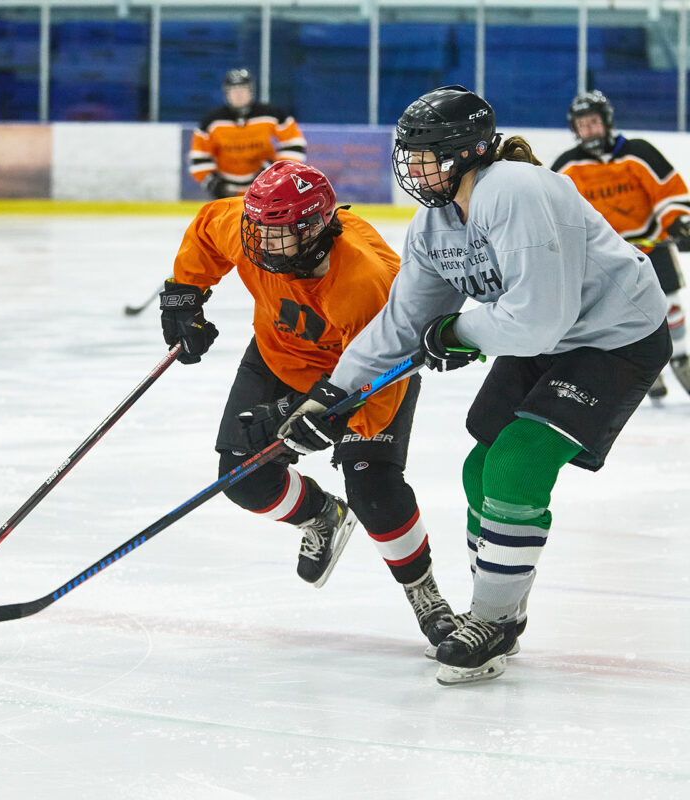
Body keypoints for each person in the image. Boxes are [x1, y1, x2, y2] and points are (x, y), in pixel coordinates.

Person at [277, 86, 671, 686]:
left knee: (516, 464)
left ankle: (490, 620)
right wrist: (332, 395)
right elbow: (404, 322)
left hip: (613, 337)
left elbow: (540, 318)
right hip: (545, 337)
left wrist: (458, 329)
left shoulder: (515, 190)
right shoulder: (434, 223)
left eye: (428, 153)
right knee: (476, 469)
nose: (415, 167)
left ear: (469, 151)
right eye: (410, 154)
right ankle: (500, 613)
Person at [159, 160, 456, 646]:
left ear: (315, 229)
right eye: (258, 230)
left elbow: (378, 389)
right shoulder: (254, 229)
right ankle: (322, 514)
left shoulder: (364, 282)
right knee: (244, 482)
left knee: (374, 490)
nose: (260, 244)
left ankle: (425, 594)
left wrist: (310, 418)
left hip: (366, 374)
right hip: (277, 356)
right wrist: (185, 295)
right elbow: (211, 226)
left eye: (276, 235)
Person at [552, 90, 690, 399]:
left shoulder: (638, 152)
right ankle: (646, 365)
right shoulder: (567, 167)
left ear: (607, 122)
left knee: (671, 305)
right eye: (582, 124)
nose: (589, 130)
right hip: (607, 257)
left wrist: (679, 222)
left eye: (594, 122)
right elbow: (554, 211)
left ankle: (681, 357)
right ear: (575, 129)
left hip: (652, 248)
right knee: (621, 315)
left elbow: (668, 194)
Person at [188, 69, 307, 200]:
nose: (239, 95)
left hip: (267, 189)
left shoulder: (271, 114)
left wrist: (274, 171)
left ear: (251, 91)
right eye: (234, 90)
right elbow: (199, 156)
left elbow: (295, 144)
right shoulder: (211, 121)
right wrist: (214, 184)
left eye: (243, 89)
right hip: (226, 192)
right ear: (226, 93)